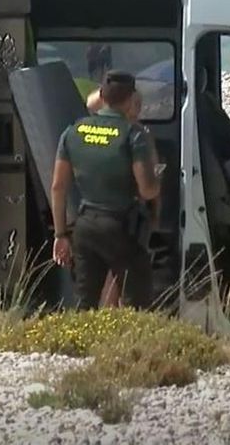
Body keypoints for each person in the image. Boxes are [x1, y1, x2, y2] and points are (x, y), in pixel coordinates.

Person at [52, 71, 161, 310]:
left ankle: (83, 335)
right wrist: (158, 177)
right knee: (136, 306)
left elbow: (58, 187)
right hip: (122, 228)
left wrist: (60, 234)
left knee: (85, 302)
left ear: (101, 95)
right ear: (131, 99)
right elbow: (147, 190)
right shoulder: (134, 135)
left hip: (85, 226)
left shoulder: (73, 131)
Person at [99, 91, 159, 308]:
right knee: (124, 276)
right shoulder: (138, 135)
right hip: (128, 214)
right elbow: (150, 184)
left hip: (101, 211)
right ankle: (121, 318)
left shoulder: (101, 131)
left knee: (110, 274)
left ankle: (110, 318)